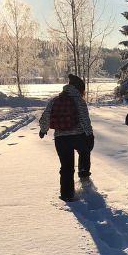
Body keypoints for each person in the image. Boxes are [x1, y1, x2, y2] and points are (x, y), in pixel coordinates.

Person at [39, 74, 95, 202]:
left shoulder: (55, 100)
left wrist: (43, 130)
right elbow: (85, 120)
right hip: (79, 136)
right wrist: (90, 135)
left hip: (61, 138)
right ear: (79, 88)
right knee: (85, 152)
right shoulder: (79, 101)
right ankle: (85, 179)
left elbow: (45, 117)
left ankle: (67, 195)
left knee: (66, 167)